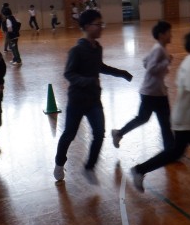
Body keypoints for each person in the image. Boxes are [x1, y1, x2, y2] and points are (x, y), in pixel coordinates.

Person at [129, 28, 190, 208]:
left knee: (182, 152)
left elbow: (186, 84)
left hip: (186, 118)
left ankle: (141, 170)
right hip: (188, 119)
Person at [53, 10, 133, 184]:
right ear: (87, 26)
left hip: (94, 100)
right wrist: (87, 81)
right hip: (77, 100)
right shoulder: (76, 51)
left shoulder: (98, 48)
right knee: (69, 134)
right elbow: (69, 74)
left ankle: (89, 167)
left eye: (101, 24)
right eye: (98, 24)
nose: (101, 27)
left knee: (99, 133)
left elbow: (100, 67)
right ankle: (59, 163)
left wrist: (121, 73)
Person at [112, 21, 175, 151]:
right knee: (150, 120)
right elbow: (151, 68)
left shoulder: (160, 48)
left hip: (157, 92)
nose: (171, 35)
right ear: (161, 35)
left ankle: (170, 149)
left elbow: (145, 61)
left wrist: (163, 68)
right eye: (169, 32)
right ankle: (118, 133)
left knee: (161, 121)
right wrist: (166, 62)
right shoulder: (159, 49)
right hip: (151, 93)